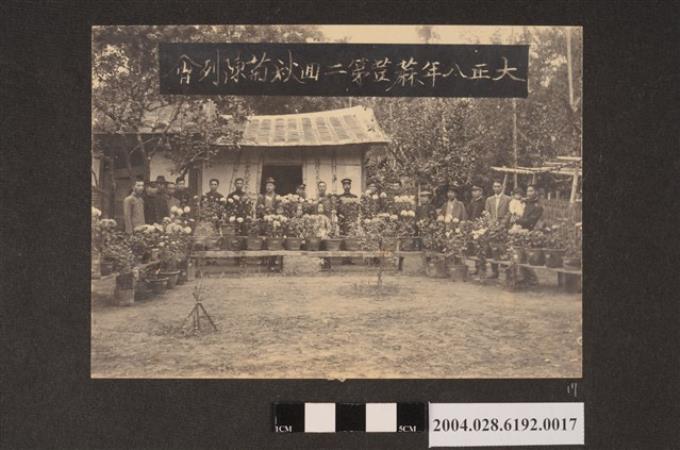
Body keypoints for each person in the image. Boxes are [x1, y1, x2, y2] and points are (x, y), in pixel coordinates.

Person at [516, 185, 544, 286]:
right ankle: (525, 277)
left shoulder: (538, 206)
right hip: (523, 232)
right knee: (521, 255)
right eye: (528, 191)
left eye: (531, 191)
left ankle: (534, 279)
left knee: (528, 257)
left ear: (536, 192)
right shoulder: (528, 203)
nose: (529, 193)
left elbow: (531, 221)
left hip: (532, 233)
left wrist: (518, 220)